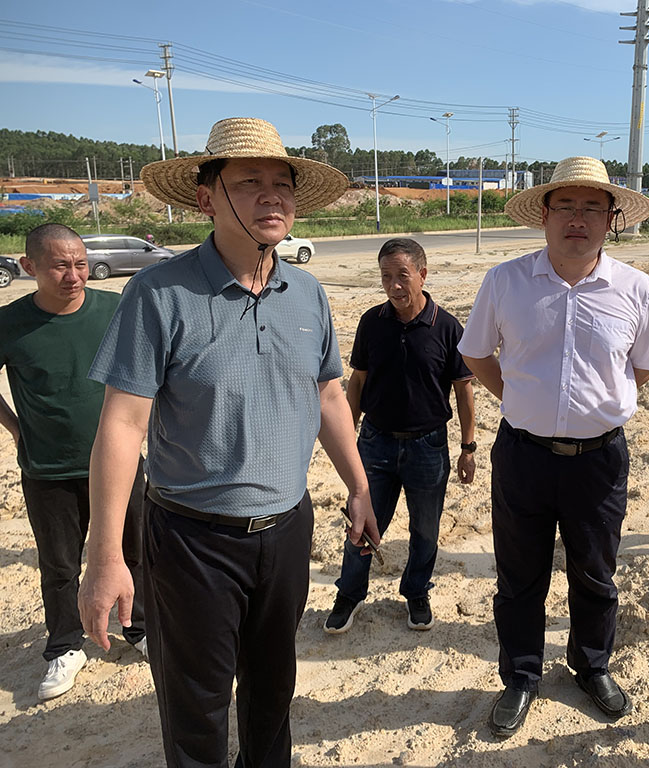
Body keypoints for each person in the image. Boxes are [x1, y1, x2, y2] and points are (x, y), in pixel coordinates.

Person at [77, 118, 380, 768]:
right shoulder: (159, 294)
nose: (272, 196)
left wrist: (358, 487)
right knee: (197, 709)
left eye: (282, 184)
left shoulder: (308, 292)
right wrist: (105, 557)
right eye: (249, 182)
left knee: (272, 694)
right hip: (191, 540)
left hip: (287, 529)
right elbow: (122, 426)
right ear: (205, 197)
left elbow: (329, 395)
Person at [459, 156, 649, 738]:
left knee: (596, 573)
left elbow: (644, 367)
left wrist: (595, 407)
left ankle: (591, 665)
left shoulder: (638, 289)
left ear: (612, 218)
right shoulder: (505, 281)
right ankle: (521, 676)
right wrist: (521, 399)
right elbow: (476, 354)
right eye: (567, 207)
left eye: (592, 208)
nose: (578, 219)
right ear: (545, 215)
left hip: (599, 459)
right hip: (522, 455)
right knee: (519, 576)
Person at [0, 223, 146, 701]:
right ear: (29, 266)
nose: (74, 275)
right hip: (49, 469)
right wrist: (17, 428)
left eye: (80, 264)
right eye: (60, 266)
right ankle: (65, 645)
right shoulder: (9, 322)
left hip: (121, 464)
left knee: (138, 550)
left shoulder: (114, 309)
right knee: (60, 565)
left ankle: (139, 627)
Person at [324, 237, 475, 634]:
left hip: (428, 445)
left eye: (402, 276)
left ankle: (417, 591)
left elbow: (464, 390)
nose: (393, 286)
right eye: (386, 276)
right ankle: (349, 594)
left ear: (422, 275)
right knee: (361, 523)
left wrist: (468, 447)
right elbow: (357, 383)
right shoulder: (371, 322)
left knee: (425, 529)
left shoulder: (447, 327)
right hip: (375, 442)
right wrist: (348, 436)